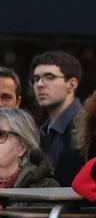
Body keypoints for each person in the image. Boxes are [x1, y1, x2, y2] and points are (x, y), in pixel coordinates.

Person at [30, 50, 85, 181]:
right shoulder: (43, 129)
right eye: (36, 79)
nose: (40, 84)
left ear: (71, 84)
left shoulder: (84, 126)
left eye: (49, 77)